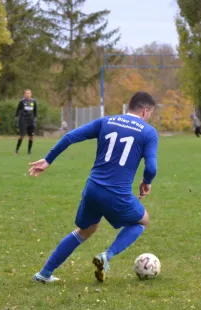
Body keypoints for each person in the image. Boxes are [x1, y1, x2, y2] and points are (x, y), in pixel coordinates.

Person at [28, 92, 159, 283]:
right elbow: (152, 167)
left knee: (85, 230)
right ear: (145, 111)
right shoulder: (148, 132)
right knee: (142, 221)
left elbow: (70, 136)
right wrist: (147, 182)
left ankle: (44, 273)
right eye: (150, 114)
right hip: (117, 193)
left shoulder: (106, 121)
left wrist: (48, 160)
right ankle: (107, 255)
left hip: (93, 189)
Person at [14, 89, 38, 155]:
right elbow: (17, 110)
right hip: (23, 120)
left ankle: (29, 151)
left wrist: (35, 119)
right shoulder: (22, 101)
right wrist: (16, 118)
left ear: (31, 94)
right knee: (22, 135)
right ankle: (16, 150)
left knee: (31, 136)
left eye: (29, 93)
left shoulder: (33, 101)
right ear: (24, 94)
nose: (28, 95)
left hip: (31, 120)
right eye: (26, 93)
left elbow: (35, 111)